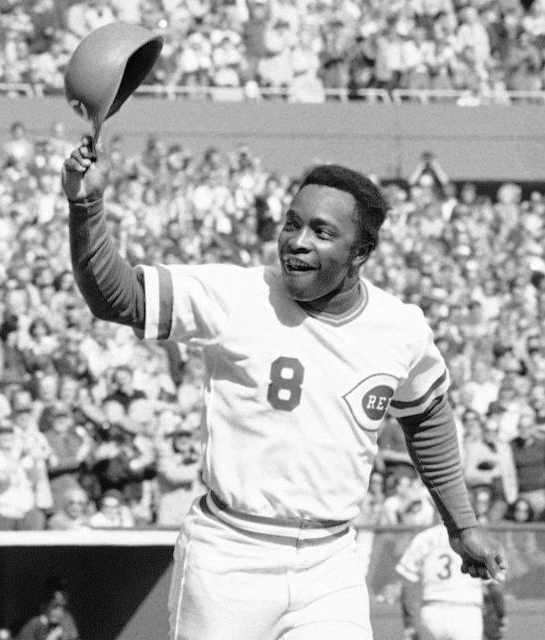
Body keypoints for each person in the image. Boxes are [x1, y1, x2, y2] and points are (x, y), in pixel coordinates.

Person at [62, 140, 505, 639]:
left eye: (321, 231)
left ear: (360, 252)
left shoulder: (399, 327)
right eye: (292, 223)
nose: (297, 240)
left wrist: (462, 525)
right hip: (230, 555)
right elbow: (115, 297)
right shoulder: (237, 295)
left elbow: (426, 416)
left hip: (331, 560)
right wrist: (86, 206)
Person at [396, 523, 506, 640]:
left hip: (433, 611)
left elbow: (408, 584)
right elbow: (495, 587)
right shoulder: (477, 538)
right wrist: (501, 613)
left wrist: (409, 623)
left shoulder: (425, 538)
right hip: (467, 612)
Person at [15, 581, 79, 640]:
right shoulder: (34, 624)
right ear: (44, 606)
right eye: (55, 606)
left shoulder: (67, 619)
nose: (59, 612)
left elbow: (74, 637)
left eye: (63, 607)